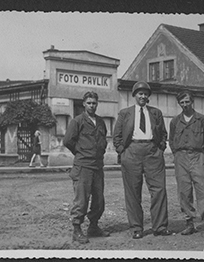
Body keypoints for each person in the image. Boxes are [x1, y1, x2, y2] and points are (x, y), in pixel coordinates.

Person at [113, 81, 172, 239]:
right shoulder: (125, 113)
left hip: (152, 152)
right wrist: (122, 152)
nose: (143, 96)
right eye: (140, 93)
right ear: (134, 95)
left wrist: (160, 149)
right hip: (132, 152)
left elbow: (163, 133)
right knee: (133, 192)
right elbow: (116, 136)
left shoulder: (155, 113)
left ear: (148, 96)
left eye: (145, 94)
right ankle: (136, 228)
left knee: (158, 189)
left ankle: (159, 226)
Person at [168, 91, 204, 237]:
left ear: (192, 101)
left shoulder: (201, 119)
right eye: (182, 103)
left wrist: (201, 153)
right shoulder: (175, 121)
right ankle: (189, 223)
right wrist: (177, 154)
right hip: (181, 157)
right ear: (179, 104)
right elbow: (171, 140)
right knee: (184, 190)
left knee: (203, 188)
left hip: (197, 156)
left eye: (187, 102)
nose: (185, 105)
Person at [63, 92, 108, 243]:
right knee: (81, 200)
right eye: (89, 103)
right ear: (84, 104)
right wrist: (81, 152)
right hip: (83, 166)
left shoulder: (101, 122)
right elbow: (68, 140)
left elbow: (103, 140)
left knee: (99, 200)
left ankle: (94, 227)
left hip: (97, 166)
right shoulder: (77, 121)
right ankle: (76, 230)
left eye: (94, 103)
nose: (92, 106)